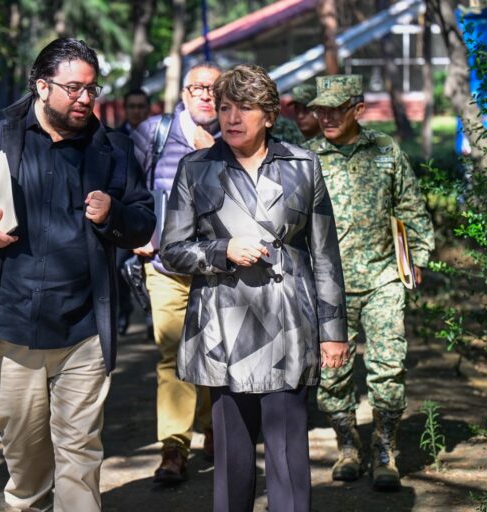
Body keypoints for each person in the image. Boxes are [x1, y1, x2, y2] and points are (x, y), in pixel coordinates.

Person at [0, 38, 154, 511]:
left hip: (84, 331)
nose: (85, 99)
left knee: (80, 454)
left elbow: (143, 218)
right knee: (27, 459)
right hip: (12, 326)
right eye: (74, 88)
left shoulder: (113, 146)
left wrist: (114, 213)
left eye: (92, 90)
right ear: (41, 85)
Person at [160, 64, 348, 512]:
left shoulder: (303, 165)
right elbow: (172, 250)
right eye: (225, 107)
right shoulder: (196, 168)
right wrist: (221, 250)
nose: (232, 117)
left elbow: (325, 253)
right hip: (224, 328)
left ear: (269, 115)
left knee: (288, 461)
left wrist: (333, 330)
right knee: (232, 461)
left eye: (245, 108)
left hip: (289, 324)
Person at [304, 75, 435, 491]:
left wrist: (419, 256)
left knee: (388, 370)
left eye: (334, 109)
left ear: (357, 109)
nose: (325, 116)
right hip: (329, 288)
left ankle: (384, 450)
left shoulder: (384, 151)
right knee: (332, 375)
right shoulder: (305, 158)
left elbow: (411, 206)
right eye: (319, 109)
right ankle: (347, 444)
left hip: (382, 279)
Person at [130, 62, 221, 483]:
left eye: (213, 88)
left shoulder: (234, 135)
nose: (205, 94)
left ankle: (212, 426)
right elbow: (126, 184)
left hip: (218, 268)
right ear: (184, 94)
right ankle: (174, 447)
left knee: (215, 351)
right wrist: (136, 231)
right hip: (166, 266)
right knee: (173, 352)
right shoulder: (154, 132)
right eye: (197, 87)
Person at [116, 88, 151, 334]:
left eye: (141, 106)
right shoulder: (113, 138)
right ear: (125, 109)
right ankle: (123, 314)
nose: (137, 111)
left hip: (152, 212)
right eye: (133, 106)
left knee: (151, 267)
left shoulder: (159, 137)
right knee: (118, 267)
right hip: (121, 213)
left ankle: (152, 317)